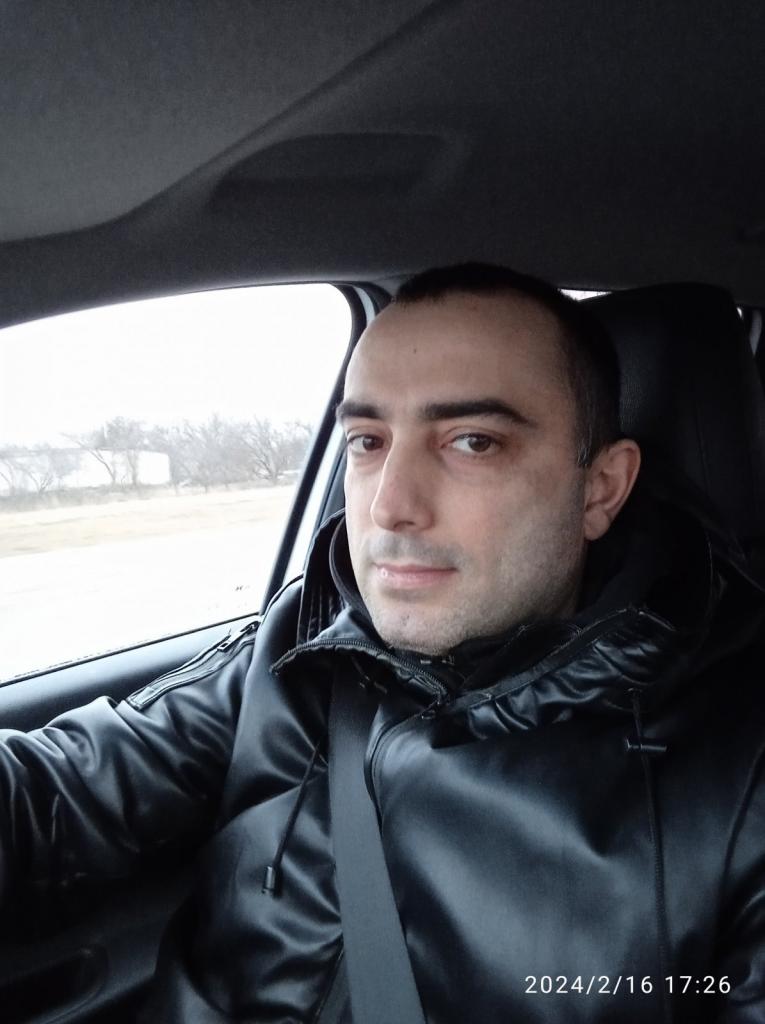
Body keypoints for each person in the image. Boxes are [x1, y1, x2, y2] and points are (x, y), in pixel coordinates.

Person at [2, 264, 764, 1024]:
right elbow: (55, 799)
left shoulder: (739, 765)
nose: (389, 507)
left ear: (600, 489)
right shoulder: (302, 647)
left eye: (472, 442)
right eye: (366, 441)